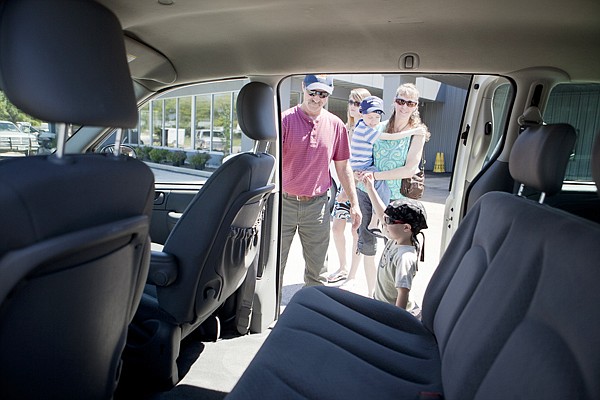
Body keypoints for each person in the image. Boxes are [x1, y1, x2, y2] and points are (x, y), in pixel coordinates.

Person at [343, 82, 430, 297]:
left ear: (416, 106)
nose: (404, 106)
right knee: (369, 245)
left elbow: (410, 169)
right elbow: (361, 153)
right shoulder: (378, 126)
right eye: (401, 100)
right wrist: (356, 175)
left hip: (397, 200)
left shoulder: (417, 133)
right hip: (367, 193)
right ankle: (373, 294)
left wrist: (374, 176)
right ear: (394, 102)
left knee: (393, 249)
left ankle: (390, 298)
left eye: (410, 102)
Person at [281, 74, 362, 286]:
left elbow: (343, 168)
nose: (316, 98)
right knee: (273, 265)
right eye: (312, 92)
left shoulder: (336, 125)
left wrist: (354, 204)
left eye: (323, 94)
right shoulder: (284, 120)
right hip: (283, 204)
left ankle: (312, 316)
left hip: (317, 206)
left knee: (317, 274)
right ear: (303, 88)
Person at [361, 172, 427, 316]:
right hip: (381, 306)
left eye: (390, 221)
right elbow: (381, 214)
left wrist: (396, 323)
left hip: (390, 314)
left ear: (406, 227)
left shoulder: (405, 257)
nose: (385, 223)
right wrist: (370, 188)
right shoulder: (396, 239)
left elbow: (403, 293)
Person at [327, 88, 371, 284]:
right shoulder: (345, 128)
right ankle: (343, 267)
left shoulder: (366, 130)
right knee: (337, 229)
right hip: (342, 187)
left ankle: (352, 274)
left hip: (357, 189)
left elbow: (361, 164)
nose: (353, 107)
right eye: (351, 102)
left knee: (355, 231)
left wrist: (346, 191)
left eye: (358, 103)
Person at [349, 95, 390, 233]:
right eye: (370, 117)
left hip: (360, 164)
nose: (374, 121)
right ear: (362, 114)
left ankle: (374, 220)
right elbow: (387, 137)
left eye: (377, 118)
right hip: (363, 166)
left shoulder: (361, 125)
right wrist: (412, 132)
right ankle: (375, 220)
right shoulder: (365, 129)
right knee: (382, 187)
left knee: (378, 187)